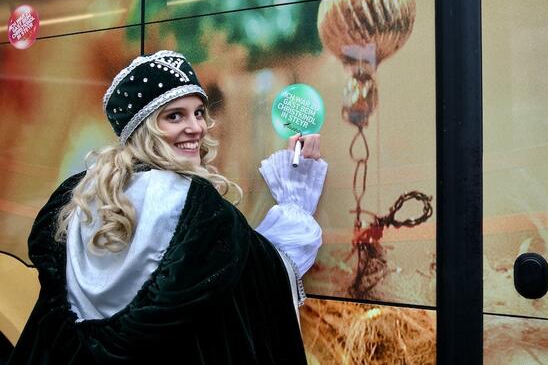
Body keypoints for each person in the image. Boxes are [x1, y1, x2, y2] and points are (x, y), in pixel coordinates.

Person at [9, 50, 327, 364]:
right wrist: (295, 200)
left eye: (198, 113)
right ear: (144, 127)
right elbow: (261, 278)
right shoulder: (198, 208)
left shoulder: (82, 198)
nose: (196, 127)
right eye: (175, 116)